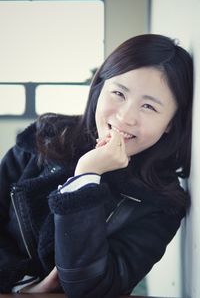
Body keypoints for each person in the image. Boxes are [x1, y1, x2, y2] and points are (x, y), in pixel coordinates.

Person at [0, 34, 193, 297]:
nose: (125, 117)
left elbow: (94, 288)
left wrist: (87, 177)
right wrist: (21, 285)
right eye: (118, 93)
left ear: (170, 123)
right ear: (99, 89)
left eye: (148, 106)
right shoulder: (41, 139)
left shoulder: (162, 203)